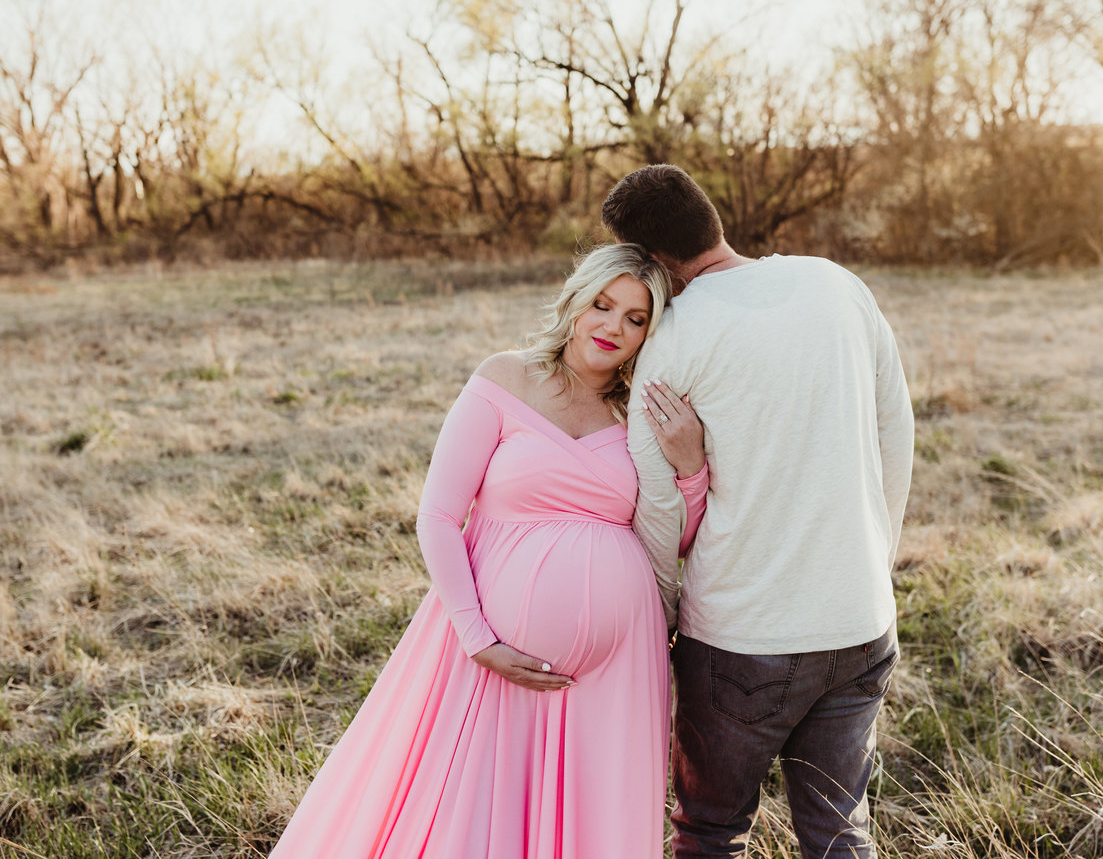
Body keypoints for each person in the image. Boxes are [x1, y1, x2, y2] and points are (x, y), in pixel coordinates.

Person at [268, 243, 710, 859]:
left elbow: (675, 538)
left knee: (594, 819)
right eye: (603, 305)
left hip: (616, 670)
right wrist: (479, 639)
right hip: (491, 655)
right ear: (575, 302)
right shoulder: (507, 378)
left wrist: (690, 467)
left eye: (635, 318)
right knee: (472, 812)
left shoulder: (637, 413)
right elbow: (439, 515)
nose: (613, 327)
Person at [604, 164, 915, 859]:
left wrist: (659, 618)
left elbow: (656, 507)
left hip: (742, 639)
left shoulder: (672, 339)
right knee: (839, 831)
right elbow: (896, 433)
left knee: (711, 832)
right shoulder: (838, 284)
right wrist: (873, 559)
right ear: (711, 217)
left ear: (653, 260)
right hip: (860, 620)